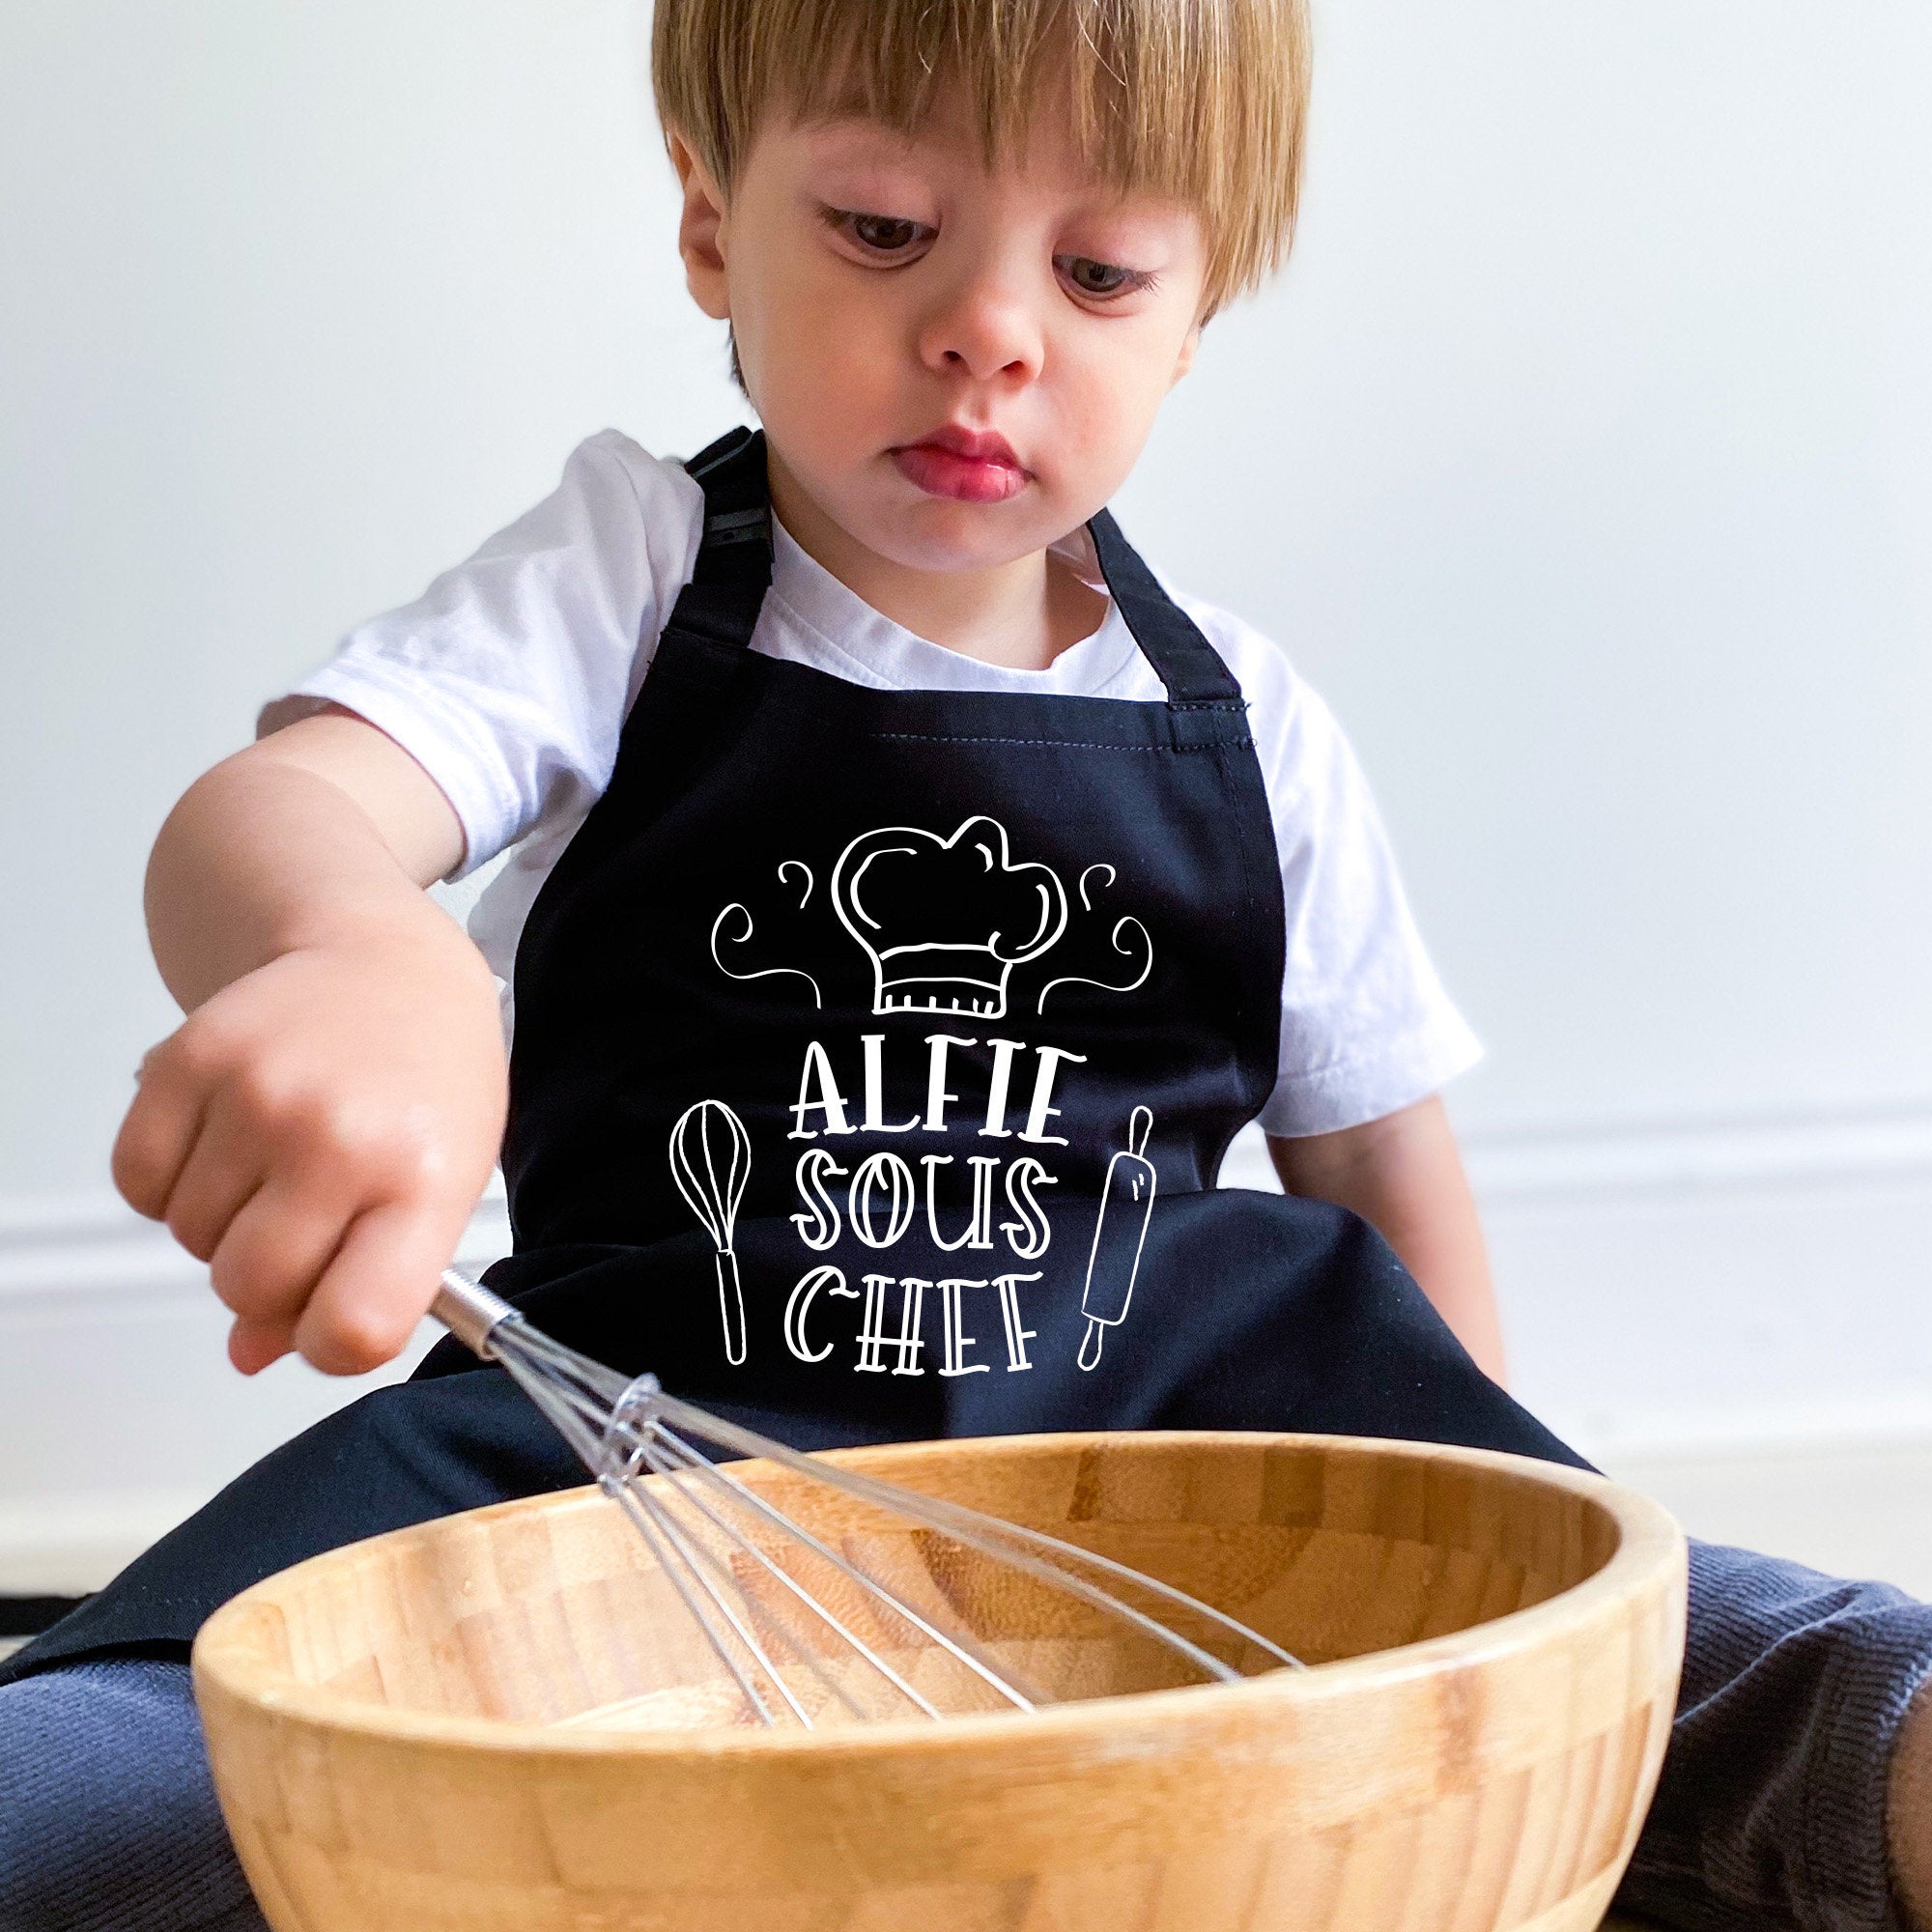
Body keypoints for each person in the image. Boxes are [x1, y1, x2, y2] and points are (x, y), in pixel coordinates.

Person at [2, 2, 1929, 1928]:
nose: (990, 331)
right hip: (627, 1475)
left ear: (1193, 316)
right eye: (878, 228)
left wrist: (1482, 1607)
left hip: (1165, 1498)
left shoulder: (1253, 725)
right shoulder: (629, 574)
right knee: (99, 1787)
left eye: (1097, 272)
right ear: (708, 224)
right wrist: (358, 946)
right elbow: (283, 811)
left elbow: (1384, 1179)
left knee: (1785, 1663)